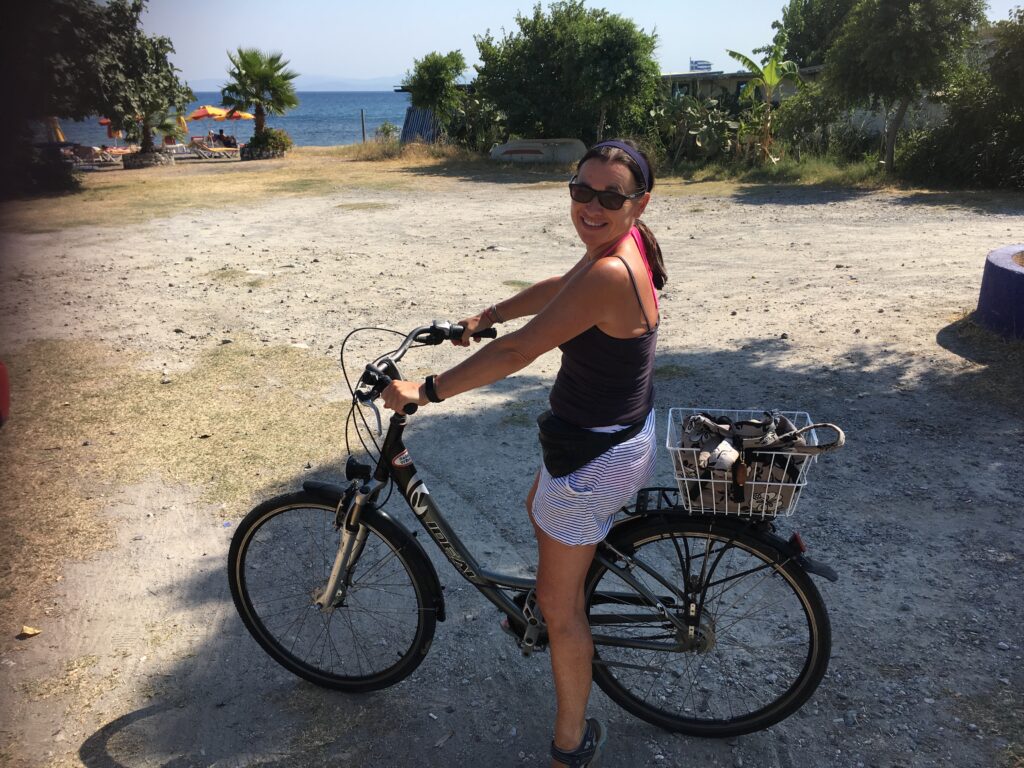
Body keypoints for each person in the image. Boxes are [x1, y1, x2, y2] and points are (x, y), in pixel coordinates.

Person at [382, 139, 666, 768]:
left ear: (639, 203)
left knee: (564, 615)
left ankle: (570, 745)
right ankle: (545, 600)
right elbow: (560, 288)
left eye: (610, 197)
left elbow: (519, 354)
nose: (591, 205)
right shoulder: (621, 250)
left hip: (594, 459)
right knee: (540, 508)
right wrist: (488, 314)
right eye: (581, 190)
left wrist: (424, 391)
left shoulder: (611, 271)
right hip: (617, 438)